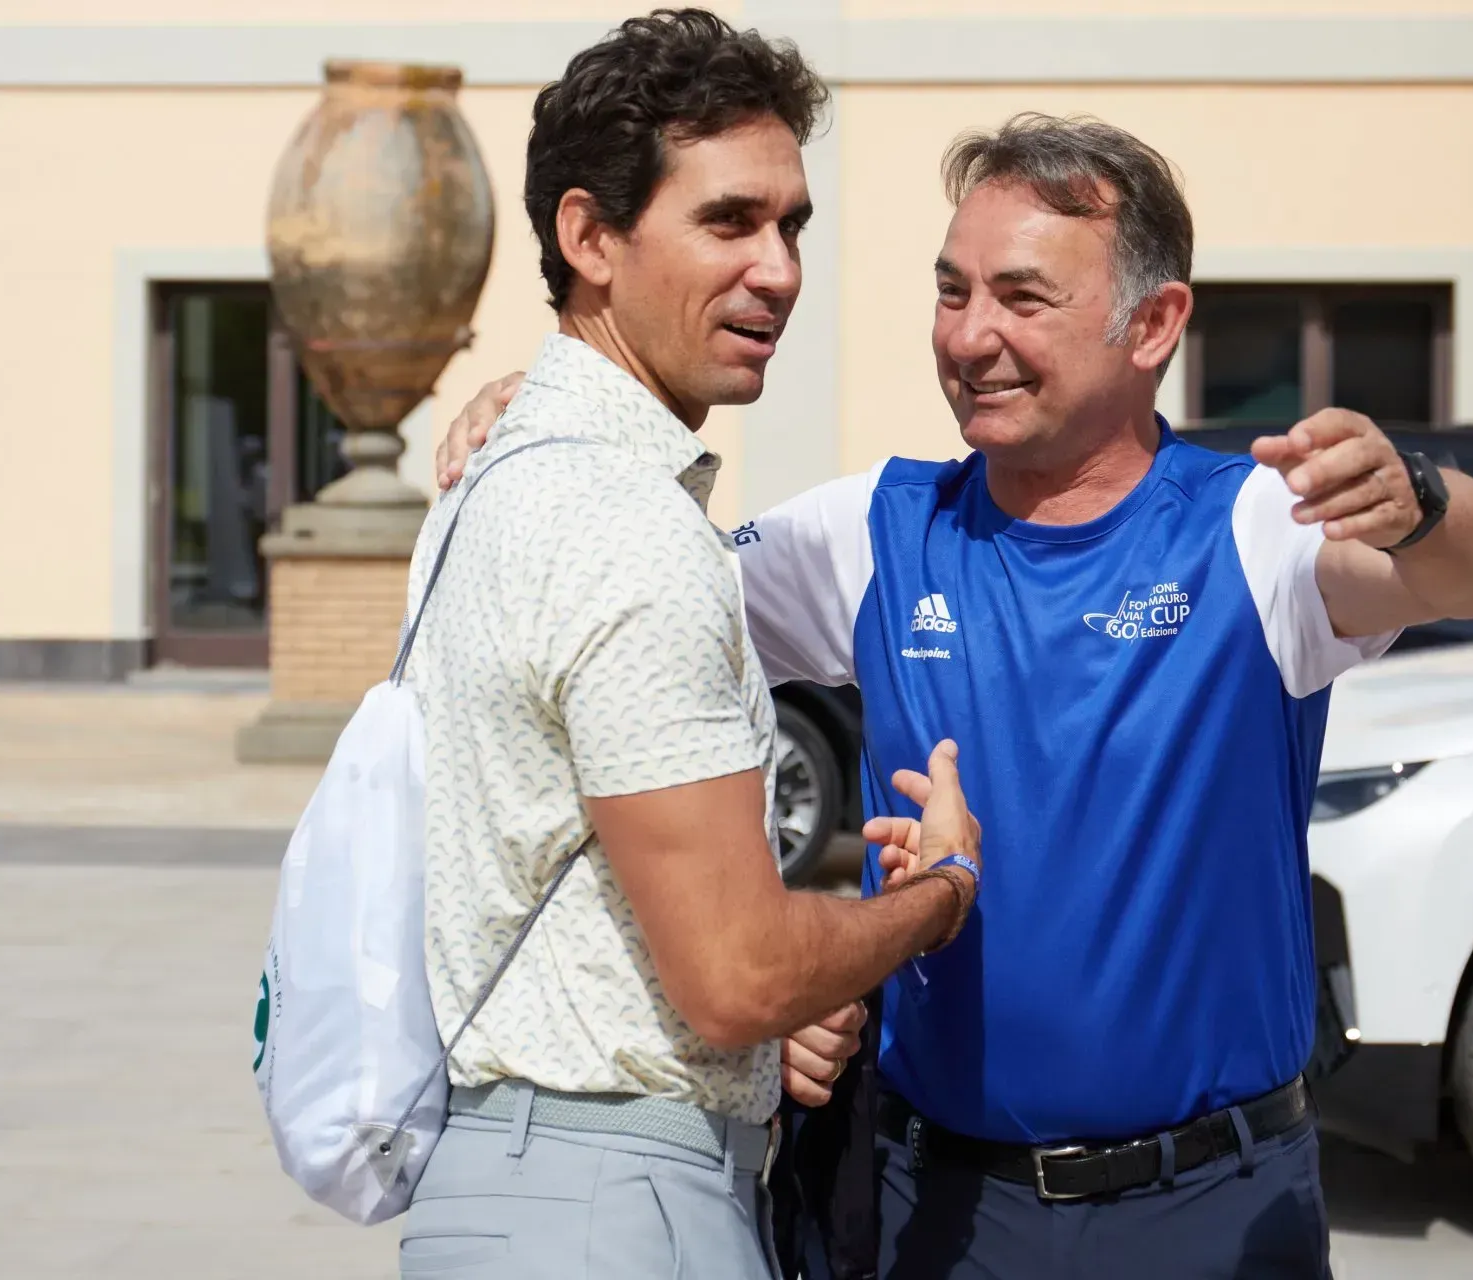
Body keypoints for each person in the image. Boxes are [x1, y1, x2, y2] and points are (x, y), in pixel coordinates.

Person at [442, 113, 1473, 1277]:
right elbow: (617, 622)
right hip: (936, 1208)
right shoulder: (874, 528)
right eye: (952, 293)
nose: (972, 336)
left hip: (1207, 1205)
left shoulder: (1251, 530)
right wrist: (561, 406)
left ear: (1152, 324)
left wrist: (1417, 494)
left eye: (1021, 298)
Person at [396, 13, 985, 1280]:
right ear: (589, 237)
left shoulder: (491, 478)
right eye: (729, 221)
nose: (778, 268)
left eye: (793, 226)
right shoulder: (627, 527)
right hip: (613, 1205)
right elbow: (736, 971)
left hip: (500, 1187)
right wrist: (937, 896)